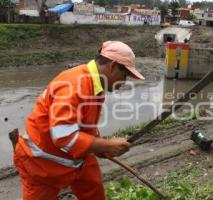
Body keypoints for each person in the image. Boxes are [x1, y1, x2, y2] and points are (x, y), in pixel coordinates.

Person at [13, 41, 145, 200]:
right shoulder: (74, 84)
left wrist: (99, 147)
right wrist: (108, 144)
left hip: (77, 157)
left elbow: (84, 125)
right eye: (125, 75)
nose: (124, 82)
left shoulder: (96, 86)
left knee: (93, 189)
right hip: (40, 162)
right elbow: (63, 137)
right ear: (112, 66)